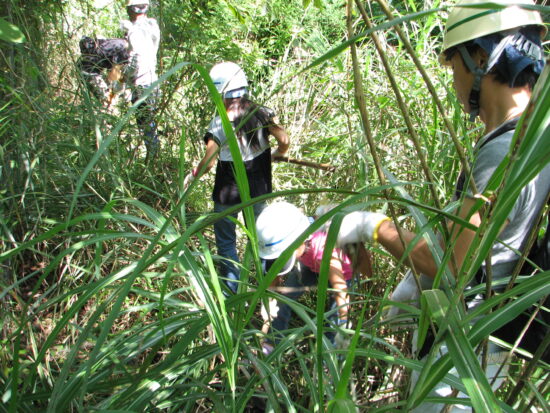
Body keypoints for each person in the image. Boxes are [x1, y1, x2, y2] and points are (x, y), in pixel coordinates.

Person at [333, 0, 549, 411]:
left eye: (454, 67)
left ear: (481, 58)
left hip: (461, 356)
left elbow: (452, 264)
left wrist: (374, 226)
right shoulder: (534, 136)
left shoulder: (503, 150)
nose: (452, 80)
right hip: (493, 338)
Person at [185, 62, 290, 294]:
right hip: (259, 186)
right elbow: (284, 138)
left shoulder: (220, 122)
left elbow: (209, 160)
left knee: (226, 241)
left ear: (219, 91)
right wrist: (279, 153)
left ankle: (231, 292)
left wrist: (193, 175)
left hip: (228, 188)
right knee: (261, 238)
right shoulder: (262, 113)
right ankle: (267, 289)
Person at [256, 201, 372, 355]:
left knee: (334, 319)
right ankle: (270, 343)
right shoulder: (292, 235)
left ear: (298, 241)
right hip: (310, 265)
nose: (281, 259)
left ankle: (330, 361)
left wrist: (343, 324)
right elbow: (275, 273)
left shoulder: (324, 250)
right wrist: (269, 301)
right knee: (284, 299)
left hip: (343, 273)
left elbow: (340, 289)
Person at [121, 0, 161, 161]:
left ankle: (154, 161)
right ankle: (155, 159)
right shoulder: (152, 27)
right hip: (153, 80)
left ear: (130, 10)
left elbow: (136, 58)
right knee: (149, 124)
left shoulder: (135, 30)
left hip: (141, 84)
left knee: (146, 127)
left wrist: (125, 74)